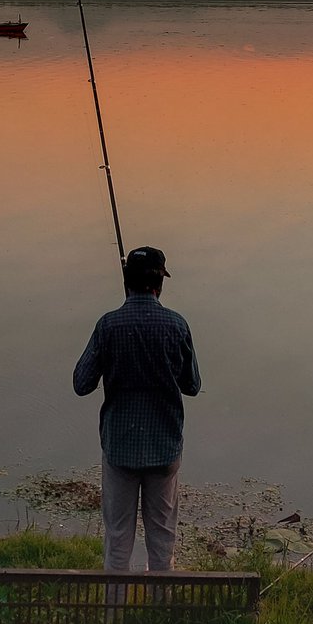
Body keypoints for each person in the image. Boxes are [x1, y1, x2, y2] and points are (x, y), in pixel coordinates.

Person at [73, 246, 201, 580]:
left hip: (119, 449)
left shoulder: (108, 325)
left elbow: (81, 383)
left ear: (126, 280)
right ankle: (158, 614)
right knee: (162, 540)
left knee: (117, 540)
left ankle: (114, 618)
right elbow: (192, 385)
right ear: (160, 284)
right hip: (164, 448)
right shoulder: (177, 325)